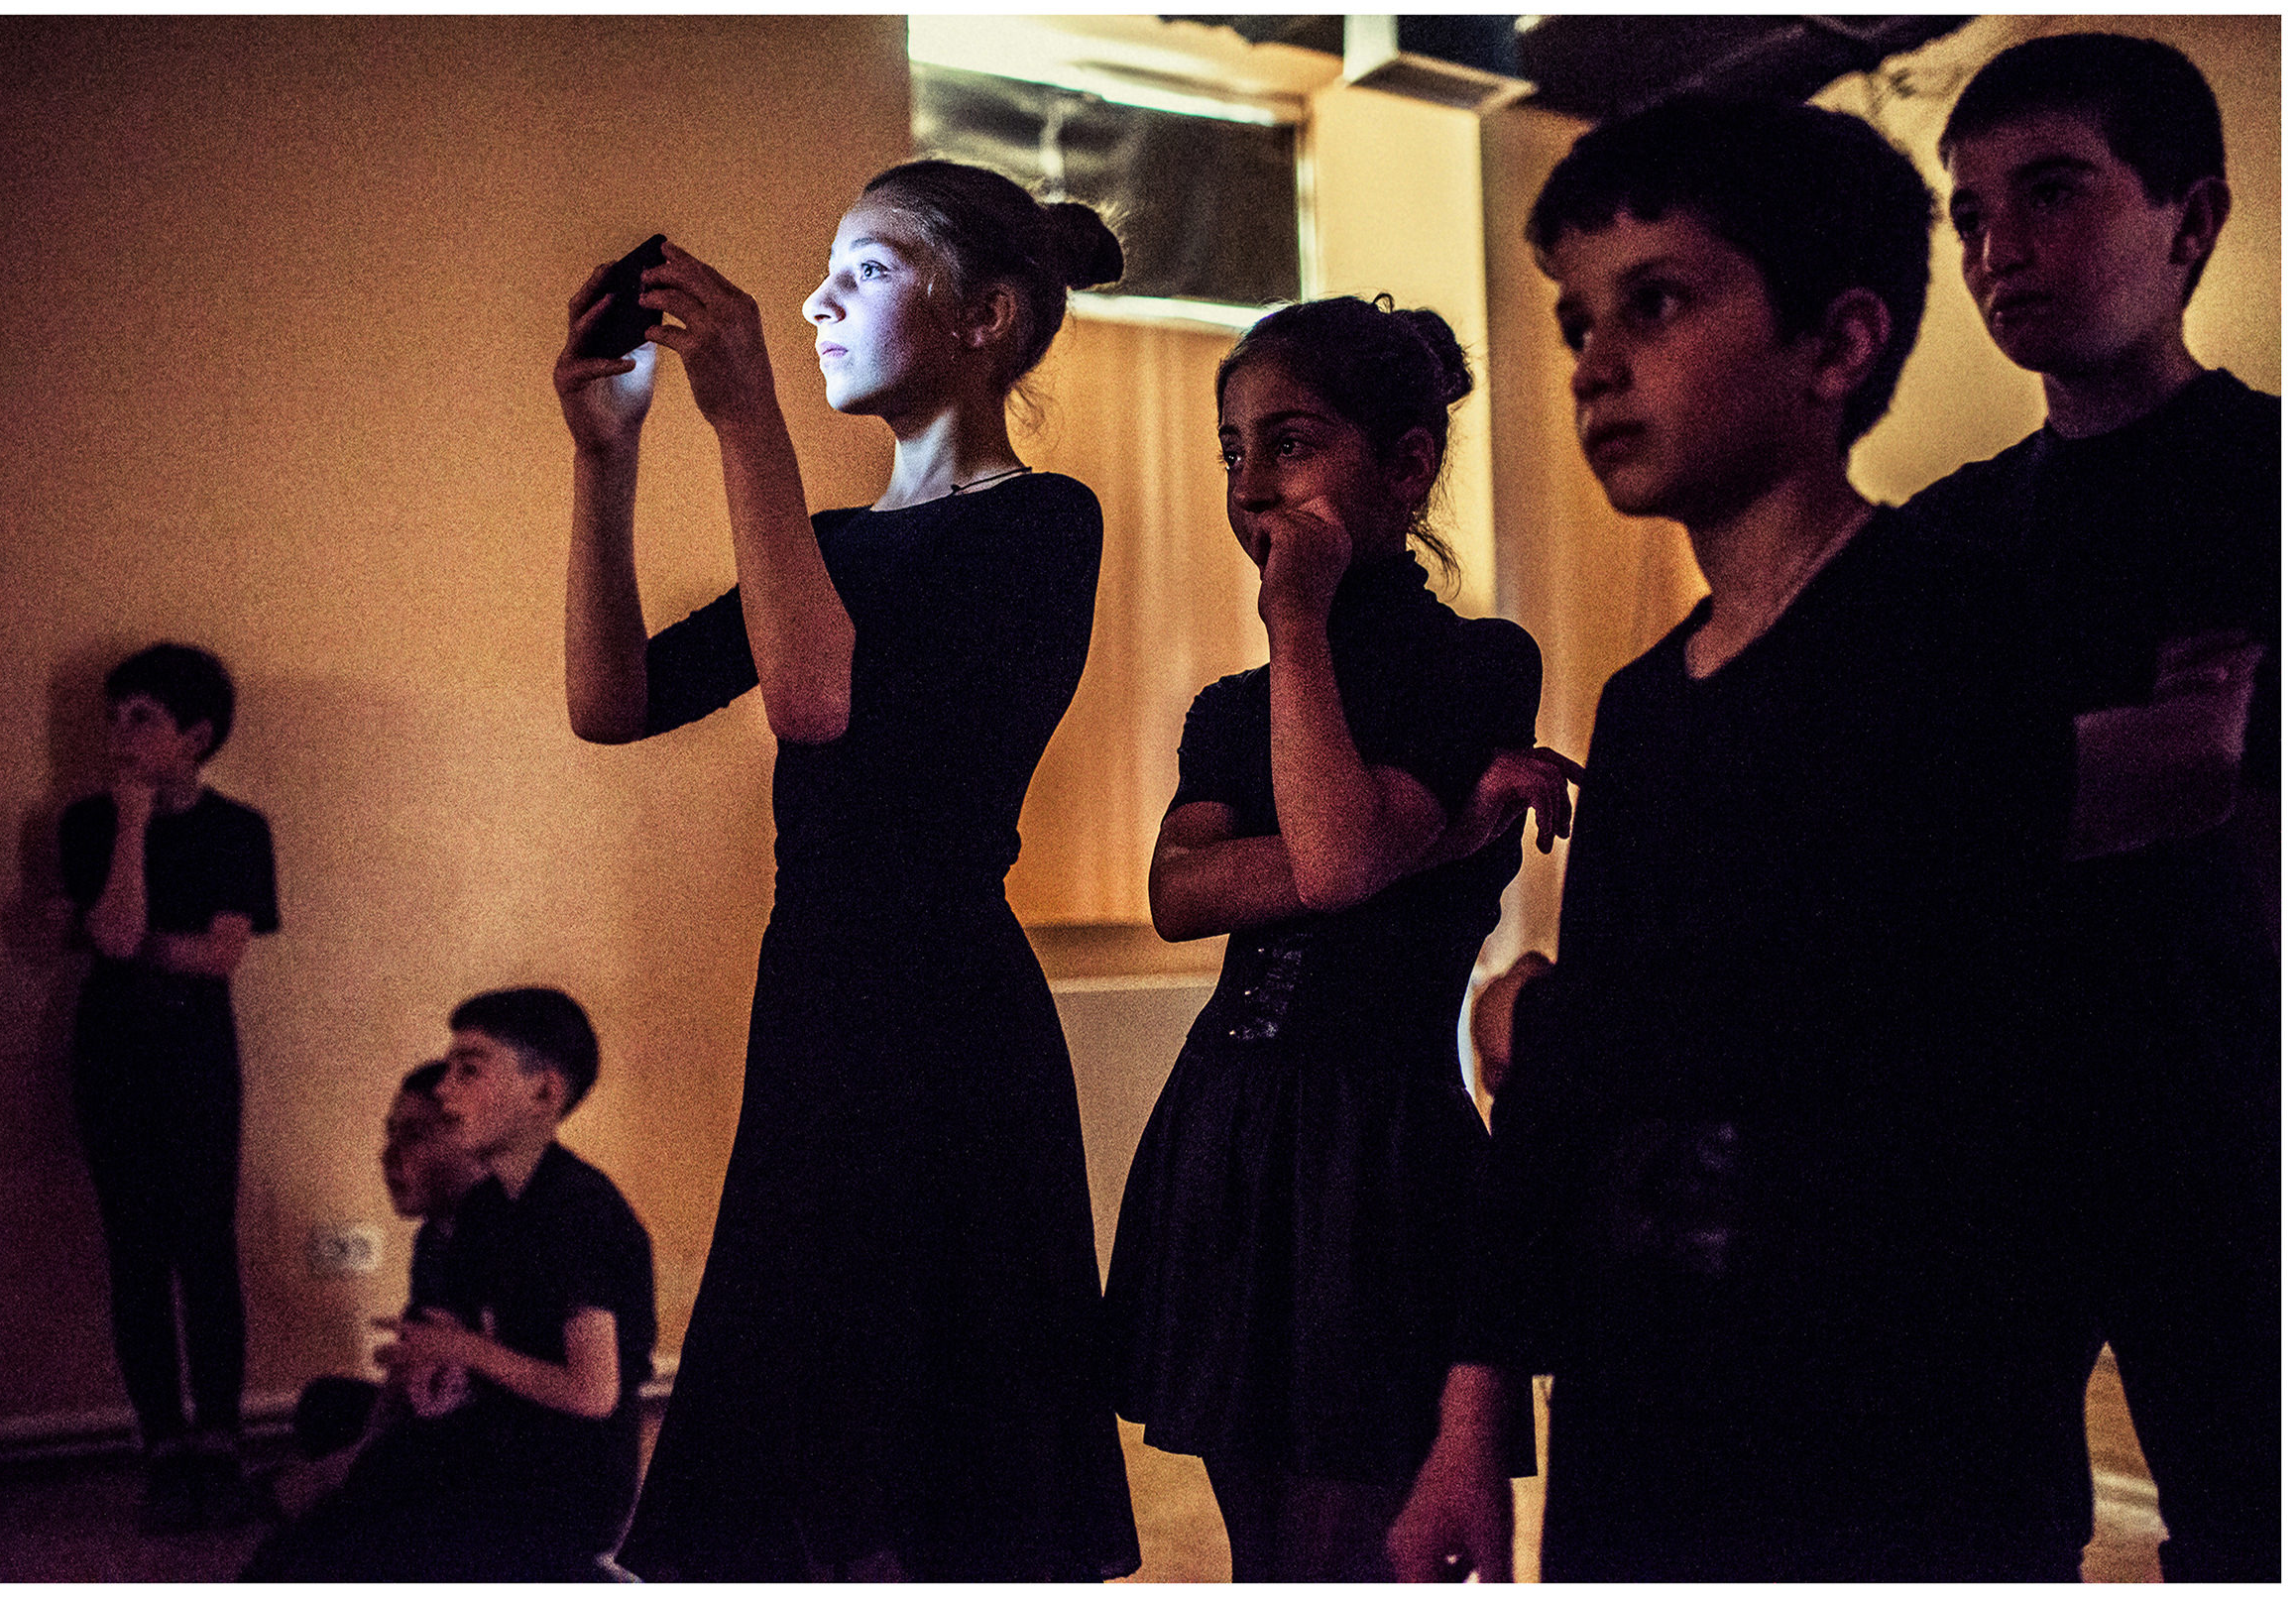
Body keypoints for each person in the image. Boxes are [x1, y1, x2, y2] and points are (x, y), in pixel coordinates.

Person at [1387, 96, 2090, 1581]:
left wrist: (1554, 1017)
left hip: (1898, 1422)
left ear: (1836, 346)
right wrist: (1470, 1416)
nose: (1593, 363)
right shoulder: (1644, 705)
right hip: (1650, 1398)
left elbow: (1916, 1041)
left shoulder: (1960, 633)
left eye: (1657, 303)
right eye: (1579, 320)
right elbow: (1580, 1097)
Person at [556, 161, 1140, 1580]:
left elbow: (817, 701)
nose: (815, 299)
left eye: (865, 270)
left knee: (934, 1449)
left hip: (941, 1011)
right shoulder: (825, 547)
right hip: (818, 991)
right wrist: (606, 456)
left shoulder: (1043, 523)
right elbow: (611, 697)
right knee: (808, 1425)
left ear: (988, 316)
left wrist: (746, 407)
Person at [1103, 295, 1573, 1581]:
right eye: (1232, 451)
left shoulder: (1475, 664)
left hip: (1380, 1154)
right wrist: (1430, 836)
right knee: (1266, 1559)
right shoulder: (1228, 706)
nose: (1252, 485)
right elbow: (1179, 894)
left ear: (1407, 463)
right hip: (1228, 1136)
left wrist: (1300, 623)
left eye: (1292, 443)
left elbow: (1330, 855)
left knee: (1354, 1561)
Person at [1907, 33, 2277, 1580]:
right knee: (1975, 1531)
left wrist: (1910, 805)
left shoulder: (2267, 475)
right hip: (1988, 1117)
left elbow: (2194, 758)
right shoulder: (1951, 530)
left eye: (2051, 195)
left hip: (2231, 1102)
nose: (2001, 251)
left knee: (2254, 1522)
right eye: (1970, 215)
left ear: (2190, 222)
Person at [242, 987, 655, 1580]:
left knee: (307, 1553)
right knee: (325, 1500)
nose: (444, 1088)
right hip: (498, 1440)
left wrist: (462, 1352)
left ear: (543, 1093)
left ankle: (577, 1574)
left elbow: (593, 1393)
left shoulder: (577, 1208)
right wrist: (443, 1371)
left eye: (470, 1069)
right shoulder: (492, 1207)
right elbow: (467, 1337)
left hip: (566, 1483)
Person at [56, 641, 278, 1534]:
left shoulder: (239, 830)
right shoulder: (86, 823)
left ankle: (221, 1441)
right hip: (109, 1059)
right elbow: (115, 937)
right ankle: (161, 1444)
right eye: (113, 717)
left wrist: (111, 933)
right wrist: (133, 828)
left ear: (196, 734)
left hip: (197, 1061)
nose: (118, 734)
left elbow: (217, 957)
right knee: (135, 1257)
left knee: (206, 1249)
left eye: (138, 717)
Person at [262, 1060, 486, 1519]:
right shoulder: (433, 1237)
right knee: (324, 1404)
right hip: (434, 1411)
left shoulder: (502, 1235)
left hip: (486, 1436)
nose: (390, 1155)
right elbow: (407, 1373)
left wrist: (341, 1470)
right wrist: (359, 1449)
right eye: (391, 1134)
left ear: (472, 1145)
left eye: (415, 1136)